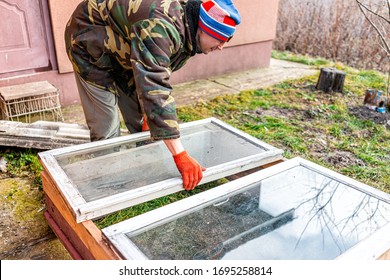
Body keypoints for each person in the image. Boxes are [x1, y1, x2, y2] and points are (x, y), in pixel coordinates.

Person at [65, 0, 241, 191]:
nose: (222, 46)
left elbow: (157, 73)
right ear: (205, 29)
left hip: (129, 49)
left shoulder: (189, 28)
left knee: (141, 120)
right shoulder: (162, 26)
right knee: (106, 127)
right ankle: (107, 187)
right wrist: (180, 155)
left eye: (227, 40)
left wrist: (152, 116)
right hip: (90, 42)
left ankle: (144, 171)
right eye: (221, 39)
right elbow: (155, 87)